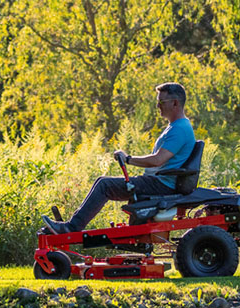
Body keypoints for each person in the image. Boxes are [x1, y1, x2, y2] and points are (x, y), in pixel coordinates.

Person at [42, 82, 196, 234]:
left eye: (161, 102)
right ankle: (71, 226)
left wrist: (128, 159)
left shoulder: (180, 129)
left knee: (105, 185)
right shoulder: (175, 127)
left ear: (175, 103)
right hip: (157, 182)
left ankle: (71, 228)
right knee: (101, 182)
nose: (158, 106)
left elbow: (157, 160)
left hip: (162, 185)